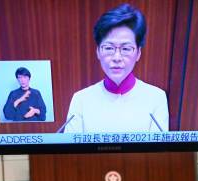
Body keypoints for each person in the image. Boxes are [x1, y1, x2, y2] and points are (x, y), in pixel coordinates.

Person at [64, 4, 168, 133]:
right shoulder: (80, 99)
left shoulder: (156, 98)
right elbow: (71, 152)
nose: (117, 57)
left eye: (126, 48)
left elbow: (158, 152)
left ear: (138, 53)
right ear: (98, 52)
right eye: (108, 48)